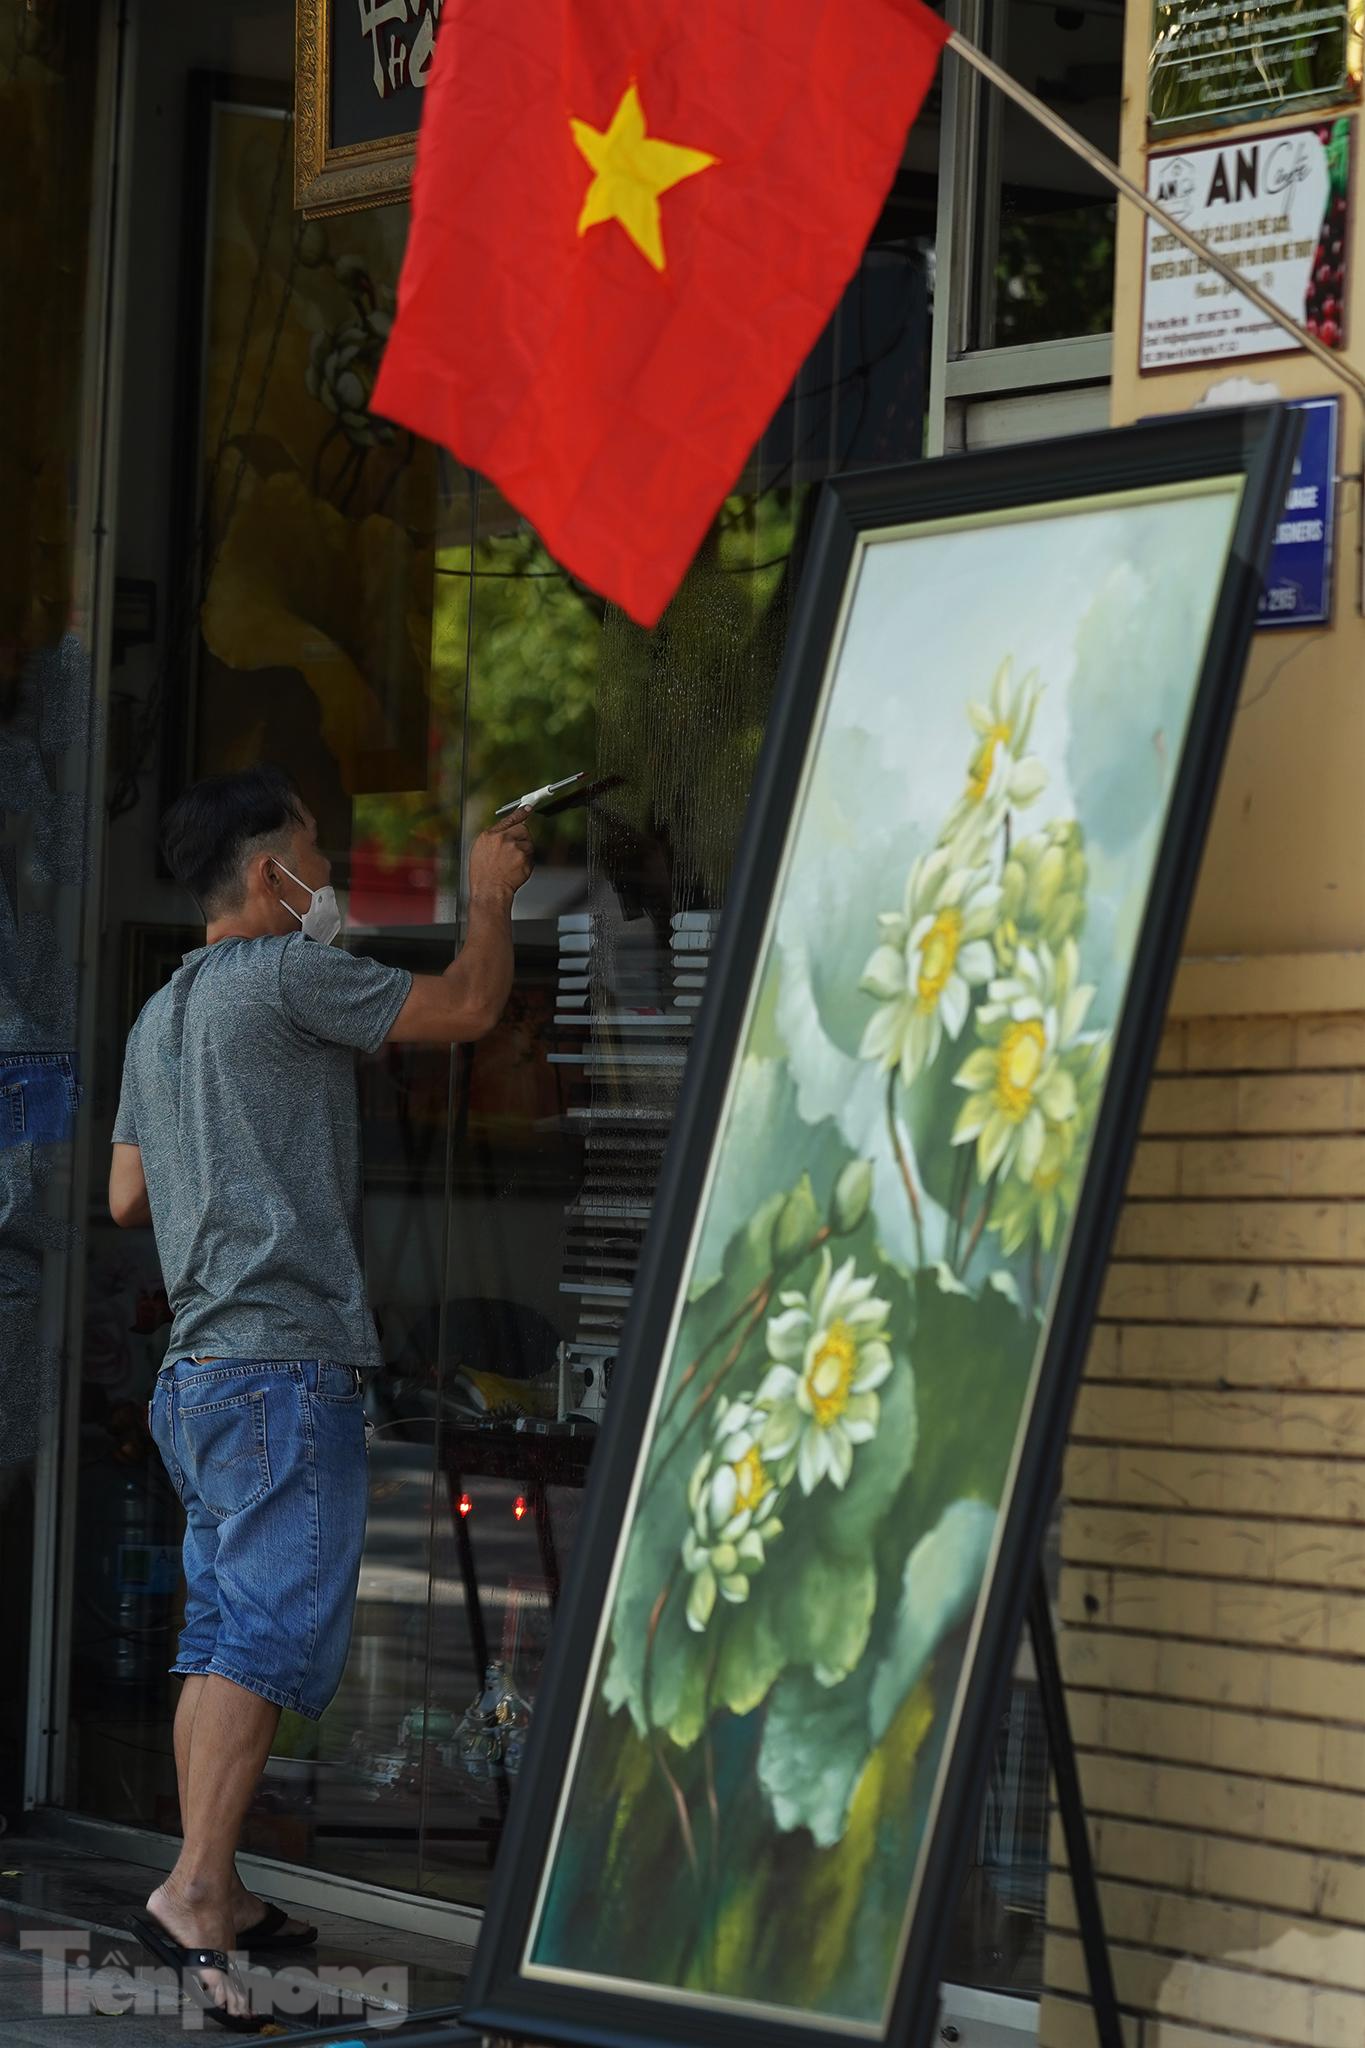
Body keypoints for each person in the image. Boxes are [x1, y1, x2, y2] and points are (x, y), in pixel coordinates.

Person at [110, 765, 532, 2030]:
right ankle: (194, 1890)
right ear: (267, 874)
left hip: (196, 1372)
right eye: (315, 853)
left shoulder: (158, 1015)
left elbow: (126, 1196)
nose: (329, 876)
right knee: (264, 1637)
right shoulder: (290, 974)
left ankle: (216, 1884)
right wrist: (489, 895)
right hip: (284, 1364)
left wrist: (221, 1152)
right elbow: (469, 1005)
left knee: (219, 1632)